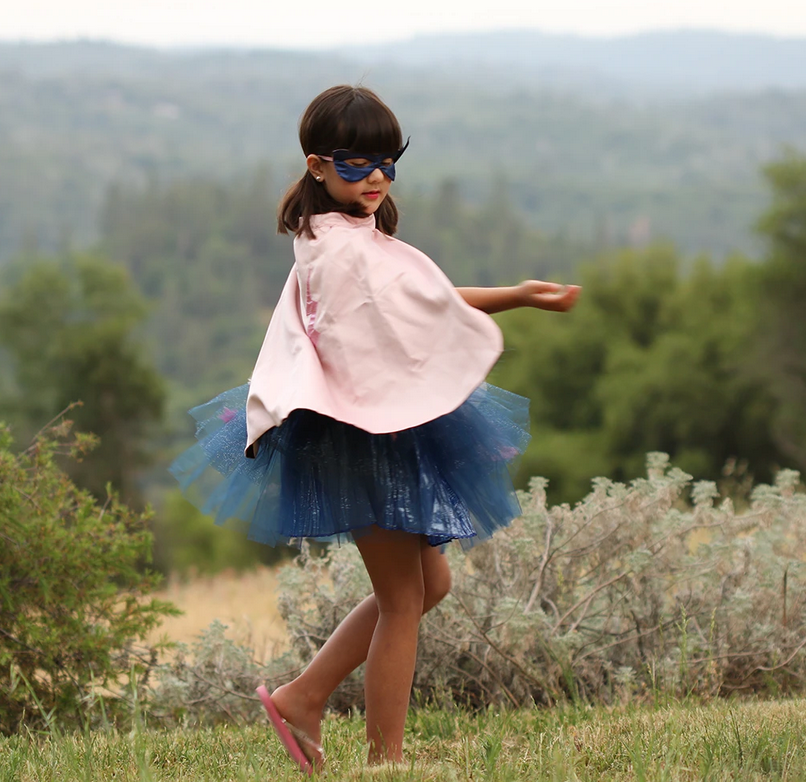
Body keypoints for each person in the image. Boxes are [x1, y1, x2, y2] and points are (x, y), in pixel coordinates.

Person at [170, 84, 580, 773]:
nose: (377, 177)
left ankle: (305, 696)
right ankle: (383, 759)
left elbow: (420, 300)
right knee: (402, 600)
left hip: (370, 424)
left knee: (429, 588)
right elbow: (382, 326)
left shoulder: (346, 236)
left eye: (388, 162)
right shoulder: (338, 250)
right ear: (317, 164)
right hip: (357, 429)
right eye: (358, 164)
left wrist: (514, 294)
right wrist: (505, 303)